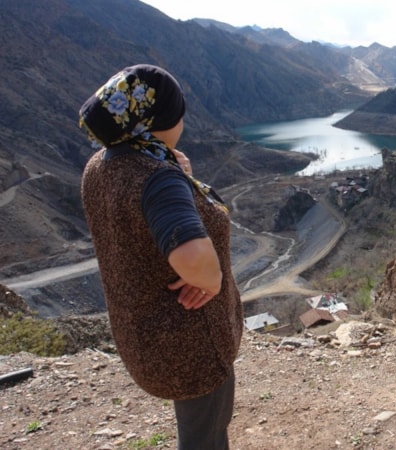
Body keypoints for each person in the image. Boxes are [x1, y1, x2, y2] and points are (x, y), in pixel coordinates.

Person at [79, 64, 243, 450]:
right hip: (192, 342)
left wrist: (175, 173)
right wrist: (212, 279)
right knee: (205, 438)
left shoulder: (102, 164)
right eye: (177, 113)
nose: (182, 121)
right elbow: (194, 258)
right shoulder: (156, 178)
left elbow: (139, 221)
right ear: (156, 120)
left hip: (145, 337)